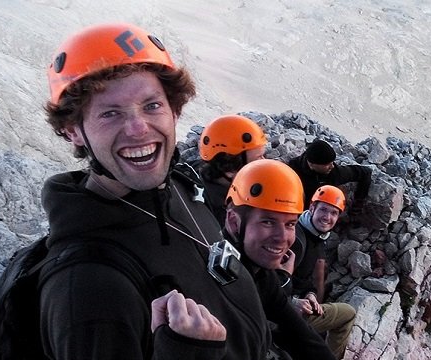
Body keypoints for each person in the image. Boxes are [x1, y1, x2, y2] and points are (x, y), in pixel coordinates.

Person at [39, 23, 272, 358]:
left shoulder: (182, 190)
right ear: (73, 131)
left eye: (152, 106)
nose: (137, 129)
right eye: (110, 113)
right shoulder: (86, 285)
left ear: (174, 110)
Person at [223, 159, 336, 359]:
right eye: (268, 221)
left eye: (290, 224)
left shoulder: (261, 274)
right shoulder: (222, 284)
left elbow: (300, 333)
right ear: (234, 222)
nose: (283, 237)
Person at [285, 185, 357, 359]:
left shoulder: (315, 236)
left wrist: (310, 294)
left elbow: (303, 277)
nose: (327, 217)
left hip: (295, 305)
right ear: (311, 208)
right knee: (348, 314)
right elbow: (269, 280)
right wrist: (292, 301)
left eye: (334, 213)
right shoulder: (295, 239)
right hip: (282, 311)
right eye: (323, 210)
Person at [197, 114, 267, 223]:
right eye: (257, 159)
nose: (264, 162)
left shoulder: (198, 174)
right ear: (230, 170)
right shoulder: (218, 215)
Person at [287, 139, 372, 211]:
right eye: (327, 164)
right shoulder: (292, 171)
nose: (332, 166)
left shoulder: (333, 173)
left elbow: (366, 172)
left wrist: (358, 203)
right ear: (312, 164)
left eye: (332, 162)